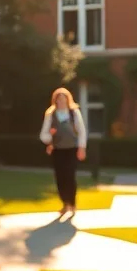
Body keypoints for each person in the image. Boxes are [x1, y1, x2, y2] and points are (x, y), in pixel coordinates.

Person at [39, 87, 87, 217]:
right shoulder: (50, 114)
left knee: (70, 175)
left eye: (63, 99)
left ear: (67, 99)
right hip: (57, 149)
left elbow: (81, 131)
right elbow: (43, 135)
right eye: (58, 99)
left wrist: (82, 148)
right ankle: (65, 203)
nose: (61, 101)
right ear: (55, 100)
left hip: (71, 148)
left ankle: (72, 203)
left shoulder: (74, 112)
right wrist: (50, 136)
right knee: (60, 177)